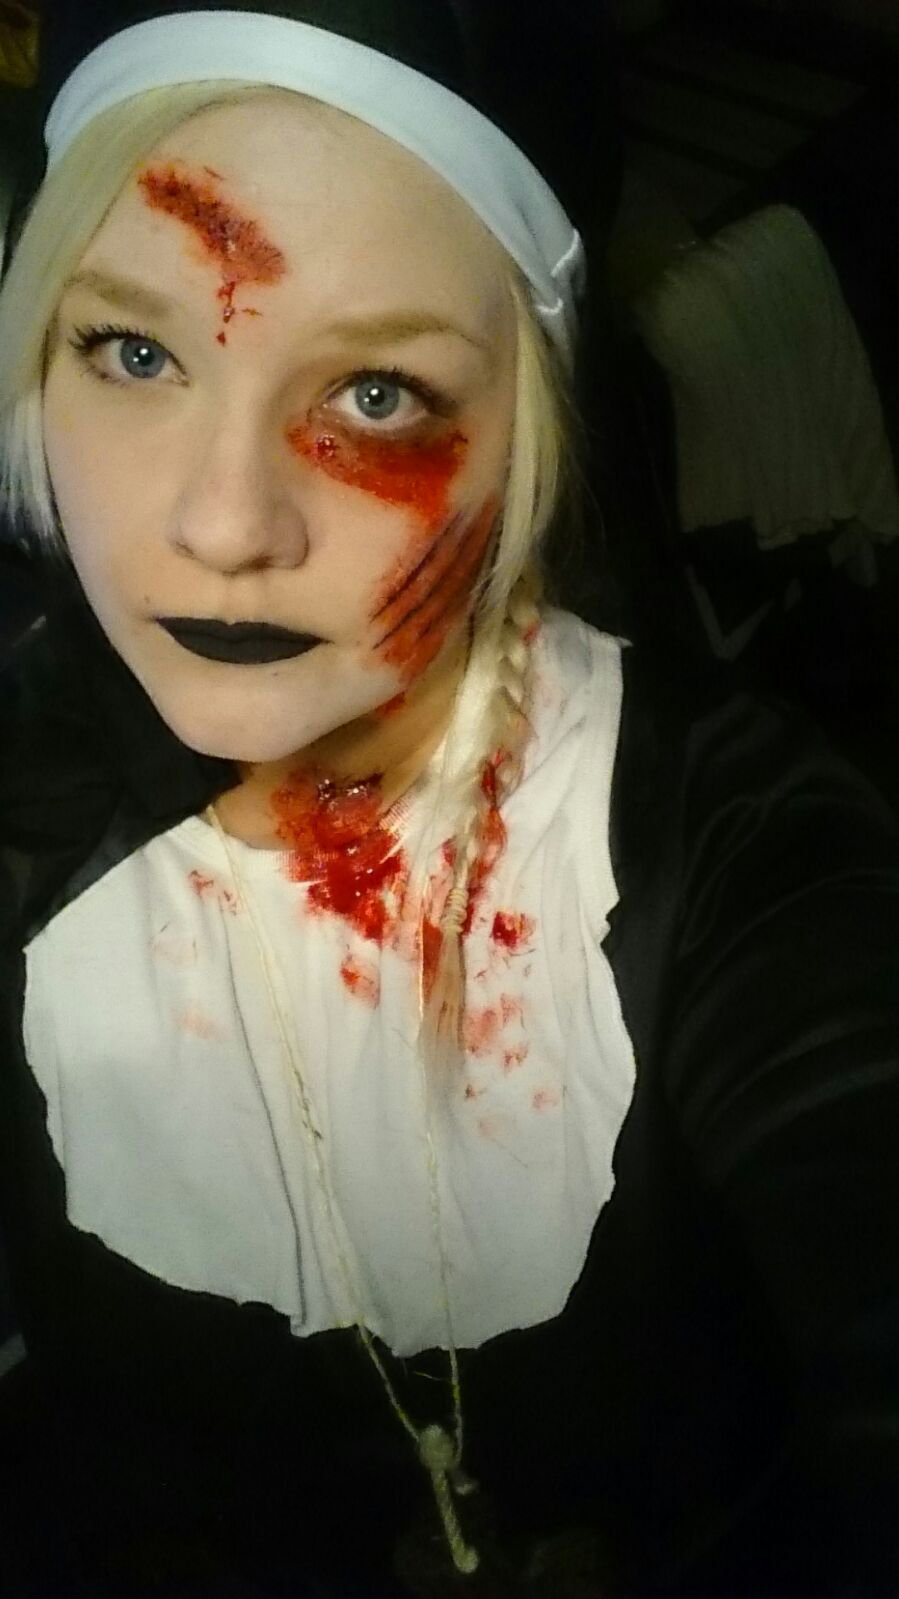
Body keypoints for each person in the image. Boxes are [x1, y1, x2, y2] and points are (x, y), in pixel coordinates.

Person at [0, 4, 897, 1595]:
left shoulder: (727, 844)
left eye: (376, 394)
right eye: (136, 352)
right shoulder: (32, 799)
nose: (223, 523)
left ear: (533, 423)